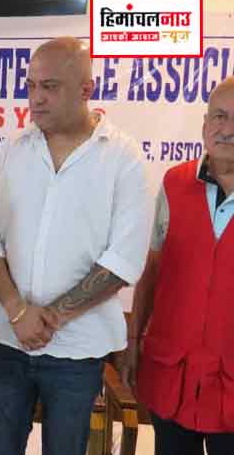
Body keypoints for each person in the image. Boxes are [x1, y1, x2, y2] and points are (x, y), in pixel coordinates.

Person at [0, 36, 149, 455]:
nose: (36, 98)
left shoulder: (123, 157)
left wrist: (49, 318)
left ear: (86, 90)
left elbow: (123, 259)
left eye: (49, 87)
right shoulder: (10, 150)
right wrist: (18, 311)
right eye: (31, 86)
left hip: (78, 352)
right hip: (6, 341)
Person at [119, 77, 234, 455]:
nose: (227, 129)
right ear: (204, 124)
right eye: (220, 116)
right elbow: (152, 270)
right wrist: (133, 342)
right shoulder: (174, 183)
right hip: (173, 376)